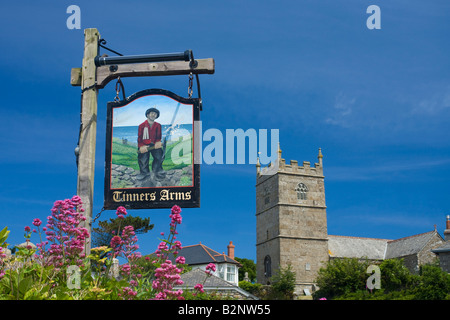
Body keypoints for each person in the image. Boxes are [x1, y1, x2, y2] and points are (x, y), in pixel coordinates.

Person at [137, 107, 166, 180]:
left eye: (155, 114)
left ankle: (157, 171)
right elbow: (140, 138)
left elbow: (159, 136)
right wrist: (141, 146)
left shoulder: (158, 125)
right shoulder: (142, 125)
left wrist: (158, 142)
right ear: (147, 115)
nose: (153, 115)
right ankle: (144, 173)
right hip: (144, 144)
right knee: (143, 159)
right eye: (152, 113)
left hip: (154, 144)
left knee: (159, 156)